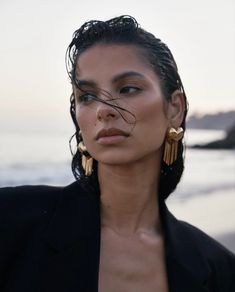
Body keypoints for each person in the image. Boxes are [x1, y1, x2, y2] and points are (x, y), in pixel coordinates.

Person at [0, 15, 234, 292]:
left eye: (128, 88)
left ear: (175, 108)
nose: (103, 109)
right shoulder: (10, 222)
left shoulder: (219, 269)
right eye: (86, 96)